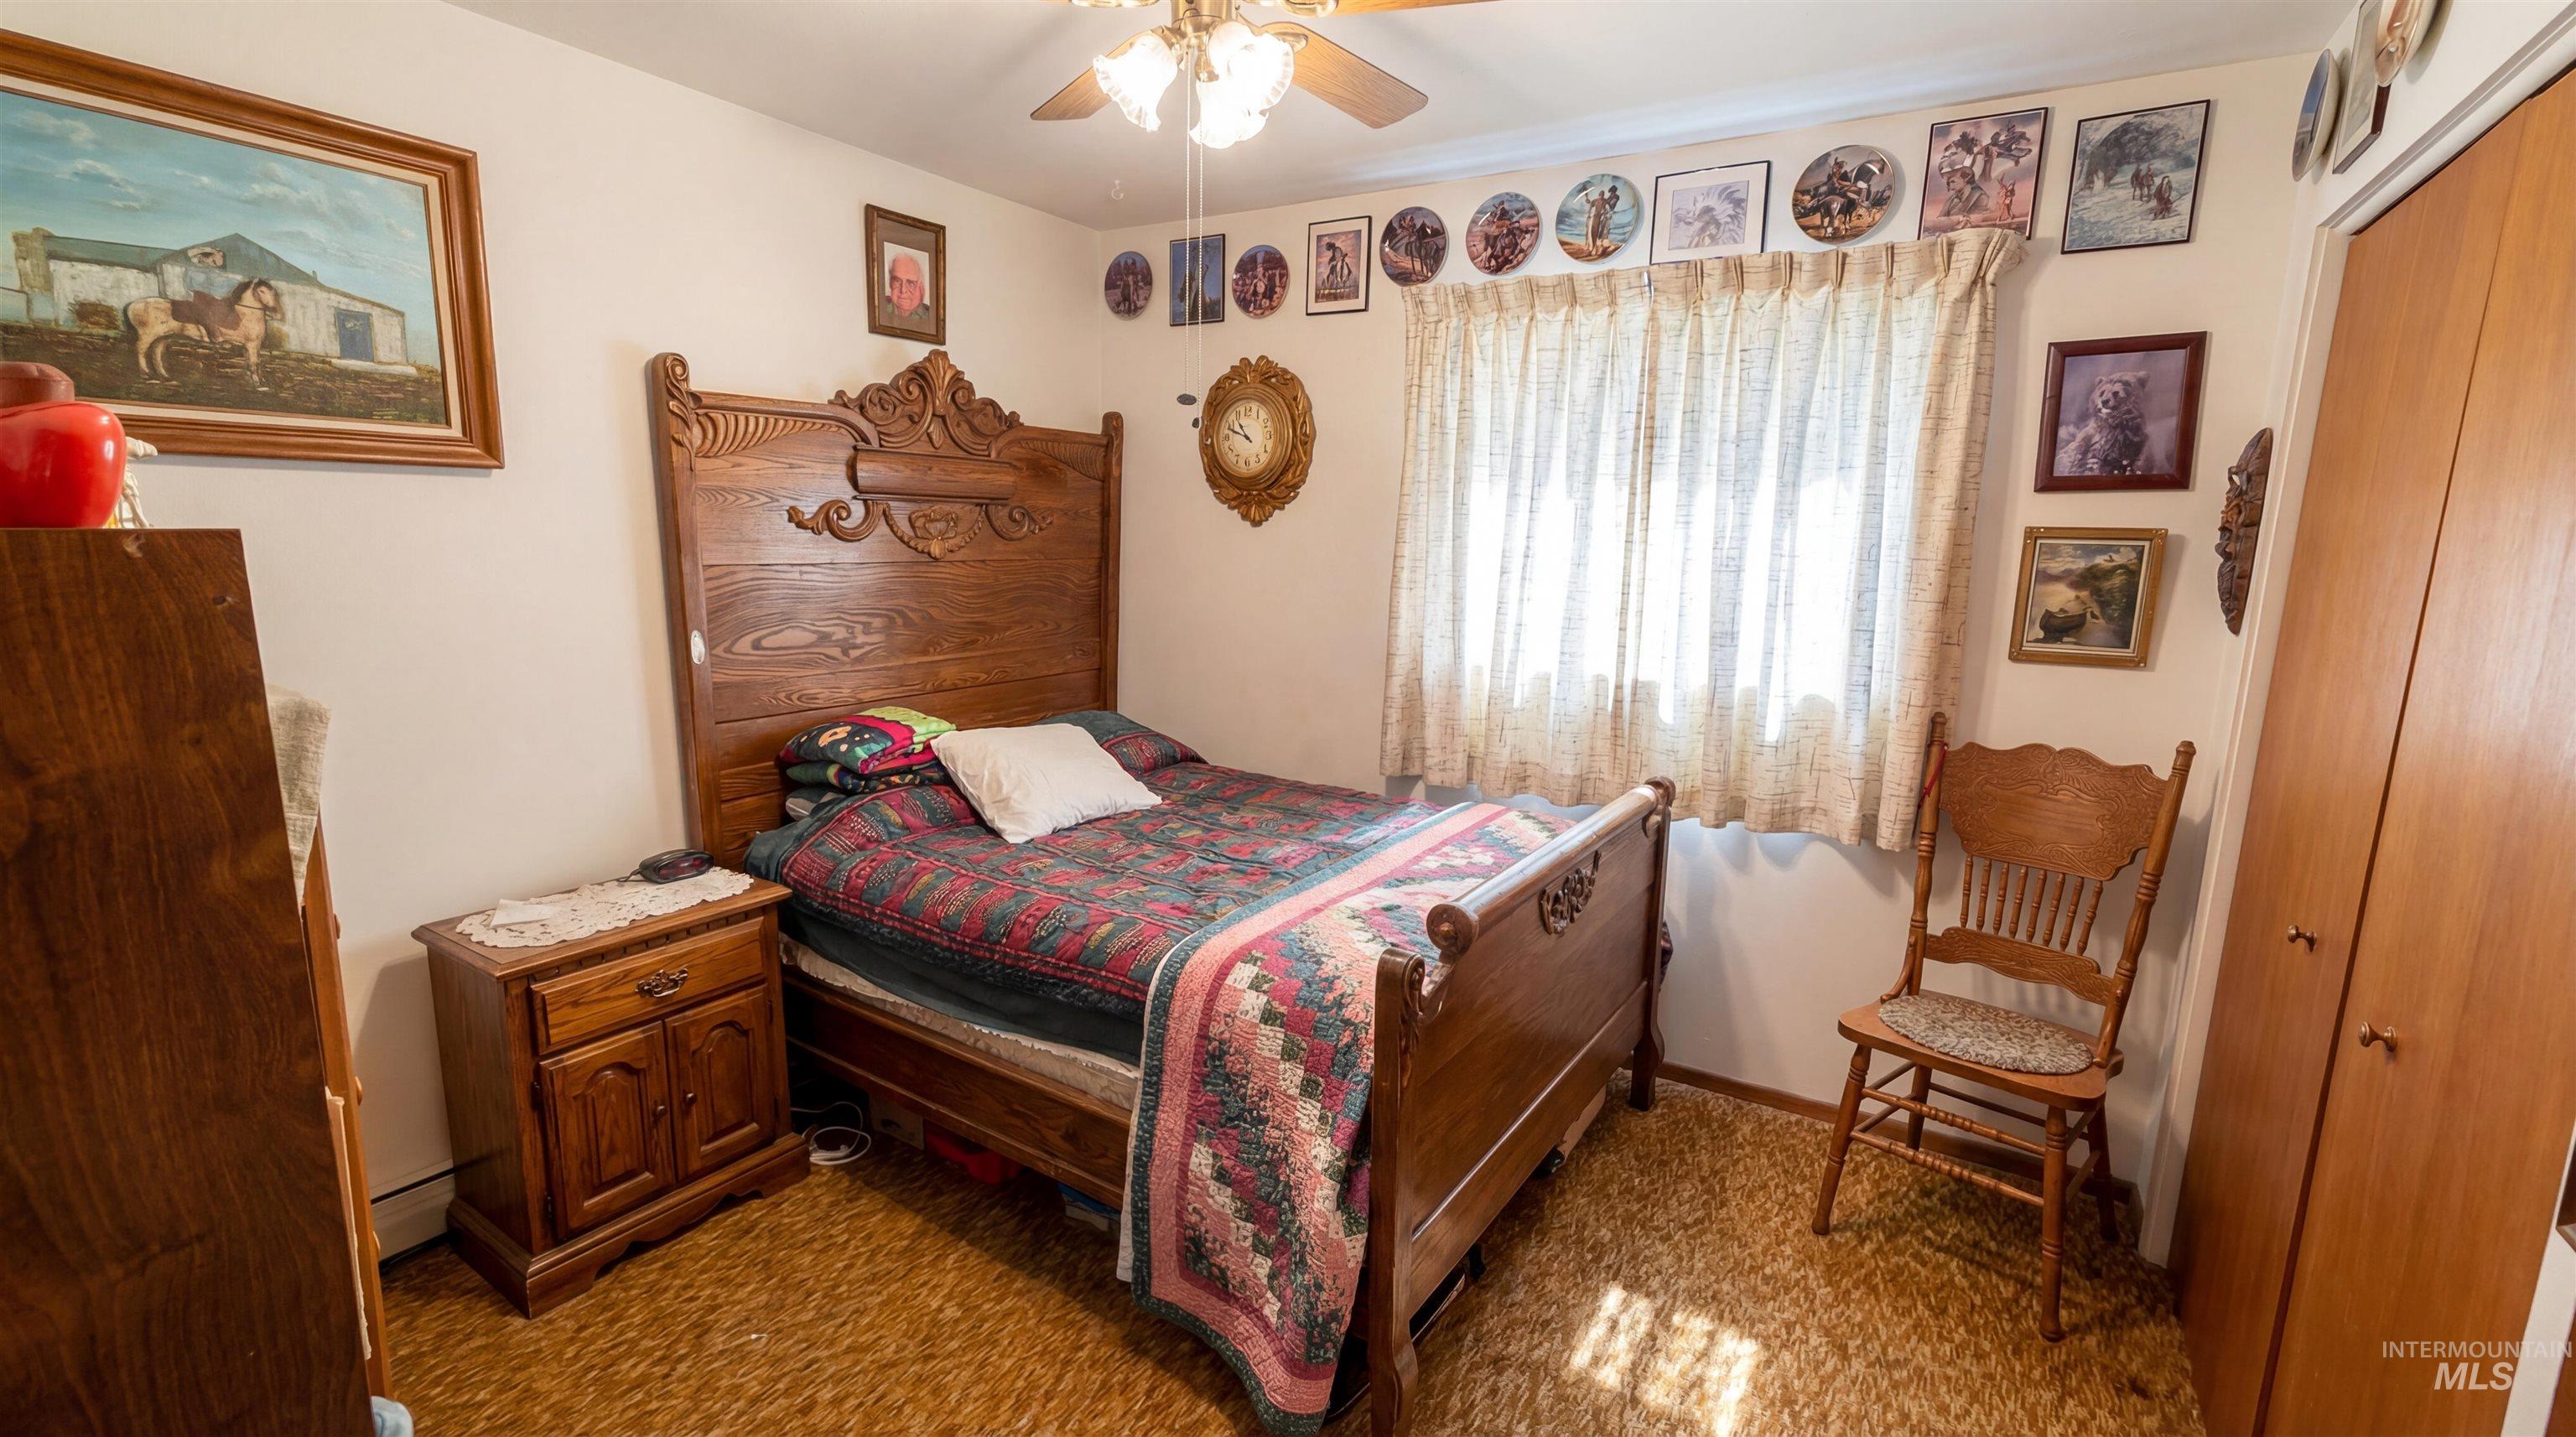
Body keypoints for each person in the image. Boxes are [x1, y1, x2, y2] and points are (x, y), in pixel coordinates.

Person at [883, 251, 932, 325]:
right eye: (897, 281)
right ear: (890, 283)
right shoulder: (880, 307)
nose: (903, 290)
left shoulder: (930, 316)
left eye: (911, 283)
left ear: (921, 289)